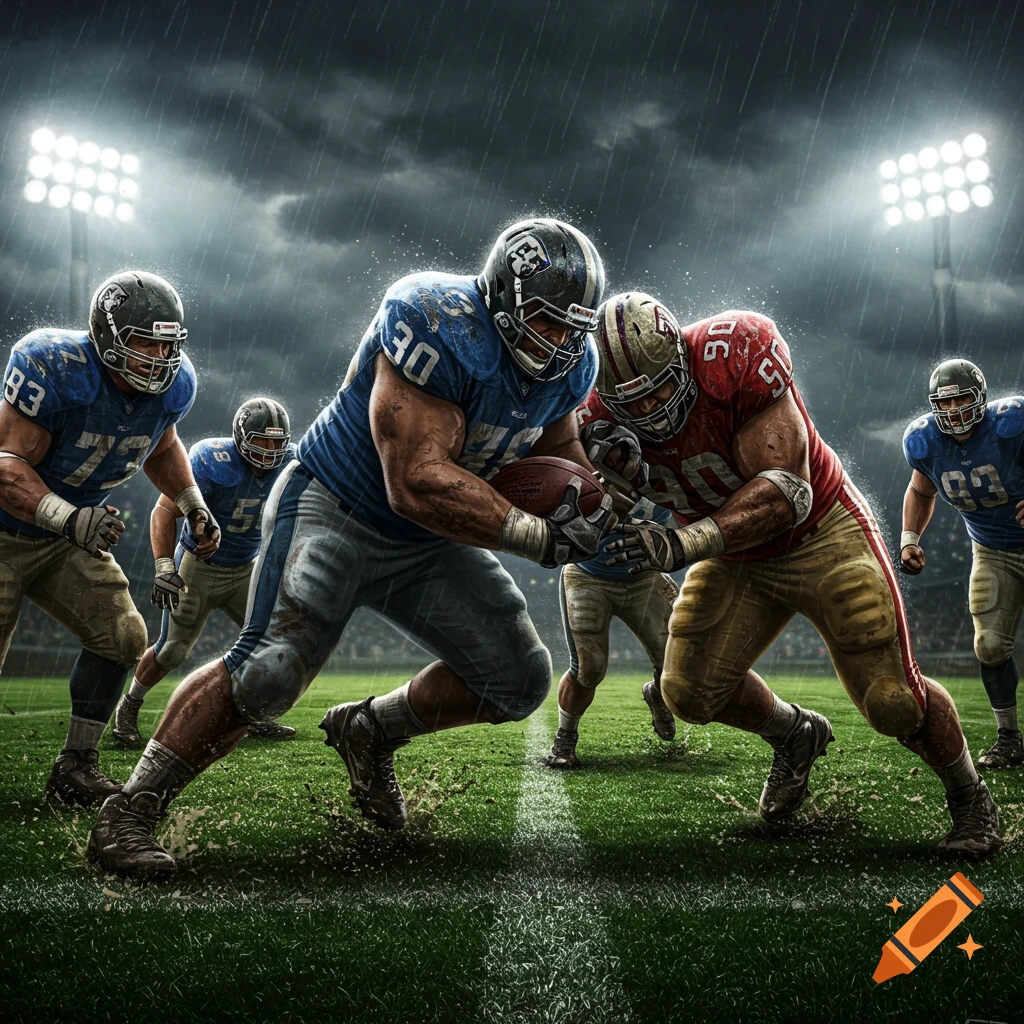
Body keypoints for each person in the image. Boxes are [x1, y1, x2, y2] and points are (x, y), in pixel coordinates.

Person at [89, 218, 617, 879]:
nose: (566, 344)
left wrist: (590, 501)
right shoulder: (436, 321)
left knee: (518, 679)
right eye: (550, 324)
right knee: (270, 670)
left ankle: (371, 730)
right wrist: (536, 534)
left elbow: (555, 446)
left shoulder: (570, 367)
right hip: (339, 509)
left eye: (577, 328)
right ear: (505, 303)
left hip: (429, 542)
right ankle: (131, 811)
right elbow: (415, 482)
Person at [585, 291, 1000, 855]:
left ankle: (969, 797)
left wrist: (683, 540)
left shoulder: (732, 353)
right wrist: (603, 493)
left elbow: (787, 492)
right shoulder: (590, 415)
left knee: (892, 701)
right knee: (686, 690)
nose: (651, 407)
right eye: (631, 401)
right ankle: (794, 733)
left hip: (819, 531)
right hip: (736, 559)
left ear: (682, 356)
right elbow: (581, 499)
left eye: (660, 384)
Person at [0, 271, 219, 806]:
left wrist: (193, 506)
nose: (160, 357)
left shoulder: (174, 386)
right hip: (7, 526)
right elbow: (6, 466)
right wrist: (71, 518)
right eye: (146, 342)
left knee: (123, 636)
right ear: (107, 335)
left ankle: (76, 765)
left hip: (63, 536)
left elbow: (162, 447)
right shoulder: (54, 366)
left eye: (169, 343)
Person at [113, 397, 298, 746]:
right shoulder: (212, 460)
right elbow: (164, 512)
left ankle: (254, 713)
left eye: (278, 442)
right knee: (172, 651)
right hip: (198, 568)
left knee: (274, 641)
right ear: (241, 437)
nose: (271, 452)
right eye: (262, 441)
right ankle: (129, 705)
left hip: (247, 568)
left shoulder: (292, 461)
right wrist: (164, 565)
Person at [901, 359, 1024, 770]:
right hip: (992, 549)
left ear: (981, 397)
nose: (953, 410)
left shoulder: (1012, 424)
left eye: (962, 399)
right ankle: (1009, 737)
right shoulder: (925, 442)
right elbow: (921, 491)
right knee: (989, 645)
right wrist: (909, 539)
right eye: (945, 402)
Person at [547, 487, 679, 768]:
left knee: (672, 661)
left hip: (646, 575)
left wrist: (633, 504)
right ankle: (565, 735)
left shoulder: (656, 469)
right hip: (588, 574)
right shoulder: (580, 462)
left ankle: (657, 693)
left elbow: (677, 520)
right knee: (587, 668)